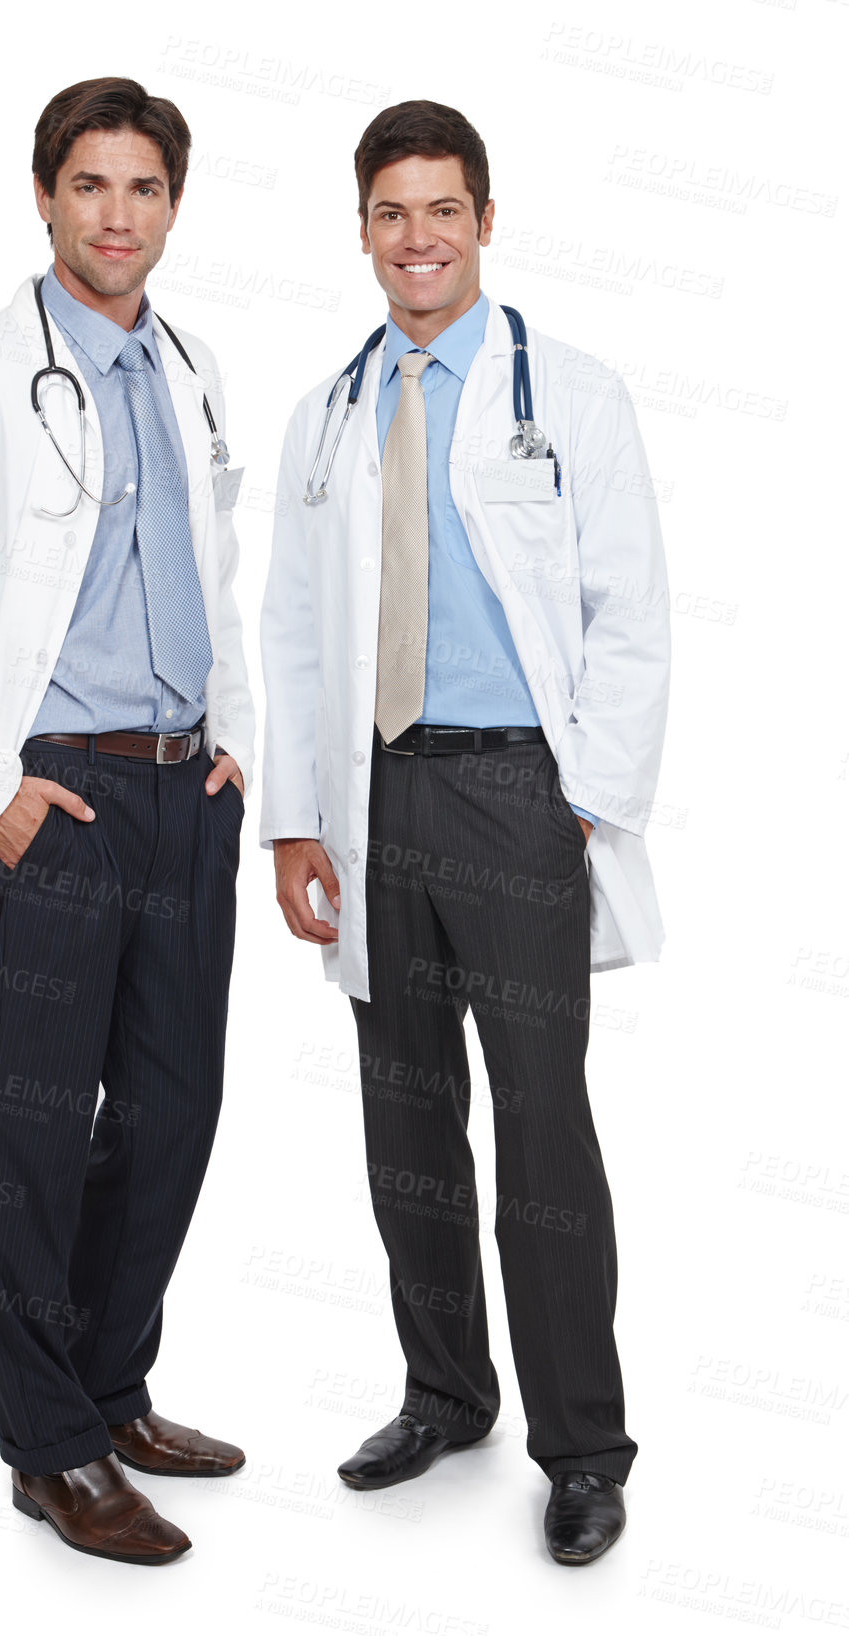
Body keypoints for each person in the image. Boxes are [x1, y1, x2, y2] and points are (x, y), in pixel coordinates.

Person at [0, 76, 255, 1566]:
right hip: (57, 804)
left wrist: (238, 757)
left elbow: (217, 584)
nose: (118, 215)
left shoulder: (188, 369)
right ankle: (50, 1447)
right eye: (91, 185)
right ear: (43, 196)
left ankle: (112, 1385)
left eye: (144, 188)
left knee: (168, 1115)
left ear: (172, 206)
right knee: (25, 1133)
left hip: (183, 796)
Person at [259, 98, 670, 1566]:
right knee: (406, 1111)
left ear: (484, 222)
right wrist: (295, 825)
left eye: (441, 210)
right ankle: (444, 1391)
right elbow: (297, 639)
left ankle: (582, 1444)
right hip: (374, 797)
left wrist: (583, 801)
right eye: (388, 212)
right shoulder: (328, 411)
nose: (414, 239)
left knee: (541, 1127)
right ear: (360, 230)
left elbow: (628, 612)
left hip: (512, 798)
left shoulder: (565, 391)